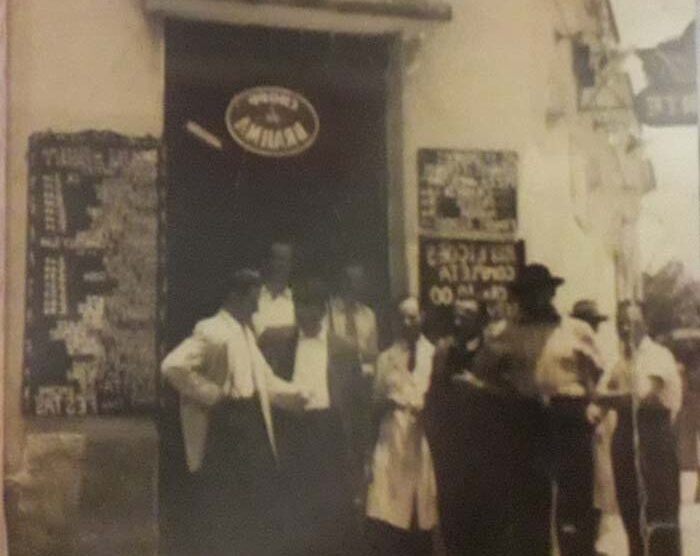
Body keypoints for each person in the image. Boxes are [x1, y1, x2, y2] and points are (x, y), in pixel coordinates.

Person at [160, 268, 309, 556]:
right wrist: (212, 395)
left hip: (252, 426)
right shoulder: (211, 330)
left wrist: (299, 395)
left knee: (253, 504)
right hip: (226, 427)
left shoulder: (246, 332)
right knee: (225, 506)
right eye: (252, 300)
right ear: (234, 297)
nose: (255, 307)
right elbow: (172, 366)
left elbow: (265, 381)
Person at [470, 263, 604, 556]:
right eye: (529, 294)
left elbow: (595, 371)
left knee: (576, 499)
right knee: (531, 499)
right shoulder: (505, 332)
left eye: (542, 292)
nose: (536, 299)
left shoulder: (576, 329)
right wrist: (508, 390)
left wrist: (592, 404)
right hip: (528, 418)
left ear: (552, 293)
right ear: (521, 297)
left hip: (569, 416)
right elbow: (482, 371)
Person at [259, 278, 367, 556]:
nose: (302, 314)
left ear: (322, 310)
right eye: (299, 307)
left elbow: (357, 404)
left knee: (331, 507)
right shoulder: (282, 341)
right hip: (295, 431)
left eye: (309, 307)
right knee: (296, 506)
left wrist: (360, 453)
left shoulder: (343, 348)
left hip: (329, 432)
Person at [601, 301, 682, 556]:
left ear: (644, 324)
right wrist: (602, 399)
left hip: (654, 438)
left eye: (632, 323)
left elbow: (641, 396)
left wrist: (602, 397)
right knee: (631, 512)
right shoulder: (620, 362)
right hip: (625, 437)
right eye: (621, 323)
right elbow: (601, 396)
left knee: (660, 515)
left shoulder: (658, 355)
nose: (626, 329)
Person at [423, 296, 496, 556]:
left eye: (466, 314)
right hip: (451, 448)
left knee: (483, 517)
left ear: (479, 320)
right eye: (456, 313)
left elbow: (505, 394)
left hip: (483, 448)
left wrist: (478, 385)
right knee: (452, 515)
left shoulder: (491, 351)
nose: (459, 319)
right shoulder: (443, 350)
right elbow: (432, 395)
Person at [365, 296, 438, 556]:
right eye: (402, 317)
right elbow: (375, 405)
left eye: (413, 317)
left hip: (423, 438)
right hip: (393, 436)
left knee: (422, 511)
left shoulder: (435, 354)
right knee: (392, 512)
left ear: (423, 318)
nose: (407, 323)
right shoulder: (386, 358)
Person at [327, 261, 379, 376]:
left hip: (361, 377)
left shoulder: (368, 315)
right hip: (335, 377)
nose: (354, 286)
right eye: (350, 280)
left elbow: (373, 353)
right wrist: (358, 347)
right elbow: (328, 344)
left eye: (359, 281)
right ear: (342, 281)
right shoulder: (328, 311)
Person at [253, 240, 296, 337]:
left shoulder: (298, 300)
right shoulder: (252, 298)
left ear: (291, 265)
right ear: (266, 262)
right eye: (277, 259)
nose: (281, 264)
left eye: (285, 260)